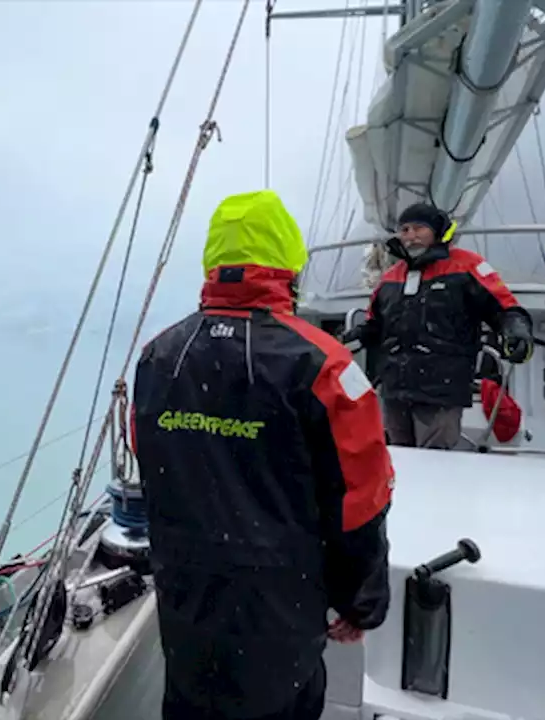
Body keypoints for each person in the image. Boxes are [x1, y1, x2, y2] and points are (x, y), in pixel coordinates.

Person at [131, 189, 395, 720]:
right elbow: (361, 498)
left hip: (185, 596)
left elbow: (149, 461)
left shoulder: (158, 355)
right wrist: (361, 599)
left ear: (214, 261)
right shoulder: (326, 365)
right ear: (288, 263)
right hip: (278, 604)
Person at [343, 202, 534, 449]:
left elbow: (503, 308)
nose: (410, 236)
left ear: (437, 231)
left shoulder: (466, 266)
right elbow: (376, 325)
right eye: (405, 230)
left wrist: (516, 330)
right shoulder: (391, 276)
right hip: (395, 389)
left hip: (441, 390)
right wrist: (350, 339)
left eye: (419, 228)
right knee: (398, 459)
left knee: (437, 464)